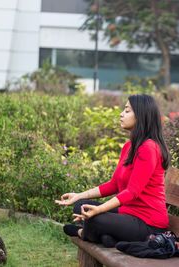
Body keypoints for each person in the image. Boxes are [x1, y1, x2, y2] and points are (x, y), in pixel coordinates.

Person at [55, 94, 170, 248]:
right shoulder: (129, 147)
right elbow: (114, 184)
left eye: (127, 111)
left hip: (149, 224)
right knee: (81, 206)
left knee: (94, 218)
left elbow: (132, 192)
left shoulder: (148, 148)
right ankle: (106, 237)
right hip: (128, 213)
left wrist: (99, 210)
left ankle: (84, 233)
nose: (121, 114)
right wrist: (78, 196)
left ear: (141, 116)